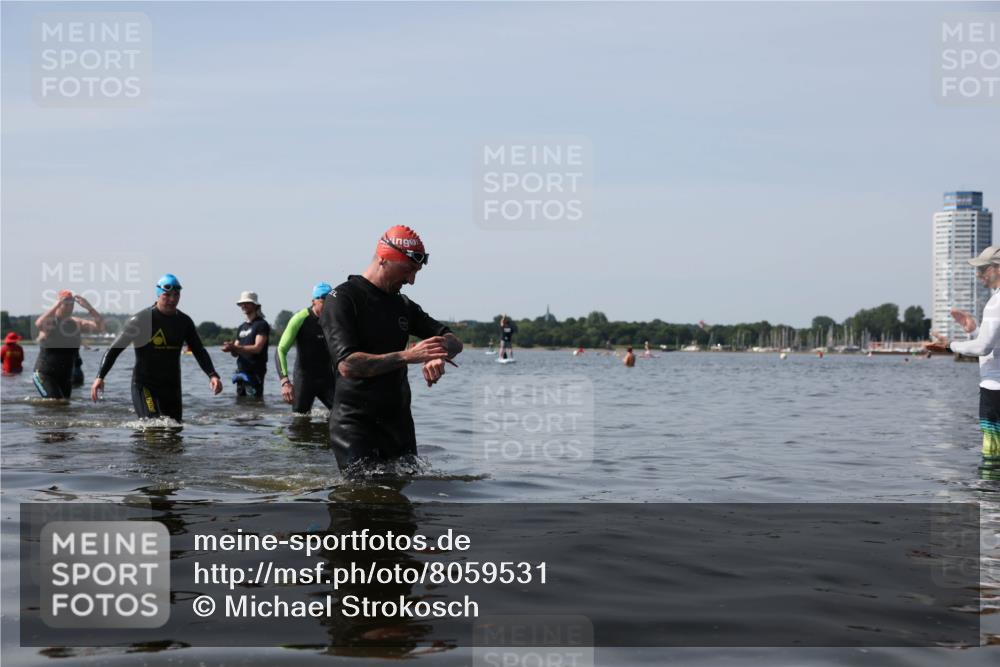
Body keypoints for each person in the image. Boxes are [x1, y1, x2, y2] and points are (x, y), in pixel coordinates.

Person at [321, 225, 463, 470]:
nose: (411, 280)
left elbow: (454, 341)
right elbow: (348, 364)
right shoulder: (342, 299)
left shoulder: (403, 304)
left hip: (398, 424)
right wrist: (411, 356)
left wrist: (436, 353)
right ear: (384, 259)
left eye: (416, 272)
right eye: (408, 270)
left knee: (405, 501)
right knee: (365, 499)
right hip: (355, 425)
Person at [91, 274, 222, 421]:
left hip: (172, 386)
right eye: (167, 295)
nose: (172, 299)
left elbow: (199, 350)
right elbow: (114, 349)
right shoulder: (141, 320)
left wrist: (213, 375)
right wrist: (100, 377)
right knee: (153, 426)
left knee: (174, 430)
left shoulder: (184, 322)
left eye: (176, 295)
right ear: (158, 294)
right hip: (145, 385)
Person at [925, 245, 1000, 474]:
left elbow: (984, 347)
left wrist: (949, 346)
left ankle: (989, 506)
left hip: (995, 391)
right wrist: (974, 330)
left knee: (992, 454)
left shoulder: (996, 303)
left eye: (983, 269)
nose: (978, 275)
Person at [275, 282, 337, 413]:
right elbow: (281, 350)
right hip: (304, 379)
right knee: (299, 421)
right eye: (323, 300)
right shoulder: (300, 318)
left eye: (330, 300)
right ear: (313, 301)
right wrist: (285, 382)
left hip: (327, 378)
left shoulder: (335, 319)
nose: (327, 304)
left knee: (342, 413)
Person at [32, 290, 105, 399]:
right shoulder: (51, 323)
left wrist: (89, 308)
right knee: (55, 403)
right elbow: (39, 324)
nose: (69, 307)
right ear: (59, 304)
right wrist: (57, 304)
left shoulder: (77, 323)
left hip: (65, 377)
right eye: (66, 304)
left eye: (72, 304)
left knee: (64, 406)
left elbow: (101, 327)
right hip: (44, 374)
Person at [222, 291, 270, 398]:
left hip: (255, 371)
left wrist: (235, 347)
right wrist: (230, 348)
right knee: (241, 403)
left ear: (255, 305)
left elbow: (257, 348)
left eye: (247, 303)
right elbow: (235, 353)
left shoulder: (262, 324)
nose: (243, 305)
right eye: (242, 303)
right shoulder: (241, 327)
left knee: (255, 403)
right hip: (241, 372)